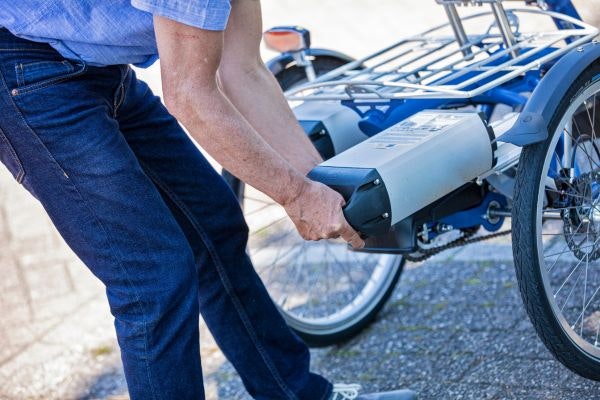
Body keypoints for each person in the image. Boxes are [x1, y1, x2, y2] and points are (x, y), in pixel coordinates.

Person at [0, 1, 415, 399]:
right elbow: (189, 95)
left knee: (214, 225)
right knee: (151, 275)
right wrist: (296, 195)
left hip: (95, 67)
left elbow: (243, 70)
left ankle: (294, 393)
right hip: (24, 73)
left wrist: (321, 183)